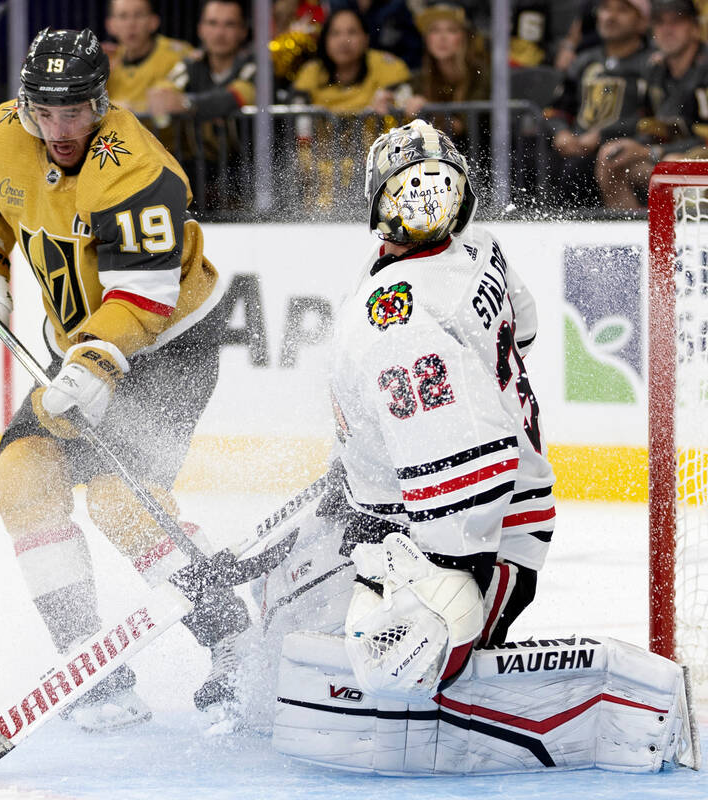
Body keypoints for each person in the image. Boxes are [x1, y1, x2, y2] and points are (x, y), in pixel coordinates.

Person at [260, 119, 697, 773]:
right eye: (414, 192)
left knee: (419, 648)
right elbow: (523, 333)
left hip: (485, 523)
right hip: (504, 494)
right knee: (303, 593)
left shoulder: (397, 311)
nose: (427, 205)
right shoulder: (480, 247)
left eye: (436, 190)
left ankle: (532, 709)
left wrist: (443, 569)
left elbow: (470, 461)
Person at [0, 27, 248, 731]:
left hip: (169, 345)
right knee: (21, 476)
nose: (60, 128)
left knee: (121, 500)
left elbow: (142, 301)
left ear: (100, 102)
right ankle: (90, 662)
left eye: (76, 110)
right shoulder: (6, 133)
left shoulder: (135, 166)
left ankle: (233, 636)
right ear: (24, 106)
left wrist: (93, 365)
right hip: (81, 342)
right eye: (45, 112)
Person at [291, 8, 411, 208]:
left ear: (366, 38)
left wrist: (393, 104)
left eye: (351, 32)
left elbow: (407, 105)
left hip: (378, 176)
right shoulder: (310, 74)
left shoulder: (388, 67)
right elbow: (300, 126)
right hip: (322, 175)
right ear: (325, 40)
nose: (343, 40)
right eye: (335, 33)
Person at [146, 0, 257, 210]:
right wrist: (162, 97)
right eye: (213, 23)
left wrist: (187, 103)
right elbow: (165, 90)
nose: (220, 32)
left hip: (249, 166)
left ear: (243, 31)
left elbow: (241, 94)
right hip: (202, 167)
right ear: (200, 29)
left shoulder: (256, 63)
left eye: (229, 24)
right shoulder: (190, 65)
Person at [597, 0, 708, 209]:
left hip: (692, 161)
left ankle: (685, 239)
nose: (667, 30)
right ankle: (633, 237)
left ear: (695, 29)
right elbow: (648, 124)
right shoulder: (654, 71)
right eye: (660, 22)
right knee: (610, 157)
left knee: (676, 167)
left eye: (676, 22)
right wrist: (638, 146)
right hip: (668, 156)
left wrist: (652, 152)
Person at [545, 0, 651, 207]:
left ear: (641, 22)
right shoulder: (584, 61)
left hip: (623, 152)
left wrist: (603, 136)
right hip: (576, 149)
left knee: (578, 170)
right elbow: (557, 109)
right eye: (605, 9)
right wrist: (561, 133)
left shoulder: (651, 64)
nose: (610, 16)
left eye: (622, 10)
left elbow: (653, 119)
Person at [401, 3, 491, 153]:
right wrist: (387, 97)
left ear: (465, 37)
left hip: (480, 158)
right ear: (427, 38)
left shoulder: (481, 75)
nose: (442, 38)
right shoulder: (423, 77)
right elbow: (400, 89)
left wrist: (427, 110)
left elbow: (463, 126)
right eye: (434, 30)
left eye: (451, 30)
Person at [105, 0, 194, 114]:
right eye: (123, 16)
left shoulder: (178, 55)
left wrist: (123, 110)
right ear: (110, 25)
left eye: (139, 15)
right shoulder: (107, 62)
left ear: (154, 22)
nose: (131, 24)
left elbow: (166, 101)